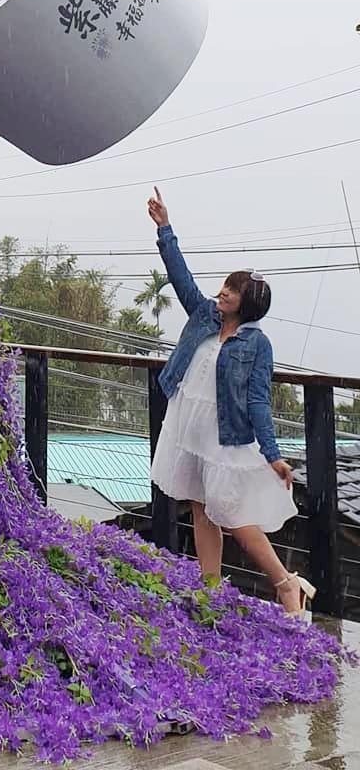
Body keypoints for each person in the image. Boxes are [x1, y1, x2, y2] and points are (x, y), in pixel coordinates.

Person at [146, 187, 314, 618]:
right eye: (223, 287)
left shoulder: (257, 344)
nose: (222, 294)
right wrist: (166, 229)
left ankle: (286, 584)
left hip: (226, 438)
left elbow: (259, 400)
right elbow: (181, 277)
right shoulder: (204, 315)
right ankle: (209, 592)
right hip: (190, 427)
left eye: (231, 291)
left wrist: (273, 455)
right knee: (202, 511)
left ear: (248, 302)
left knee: (234, 516)